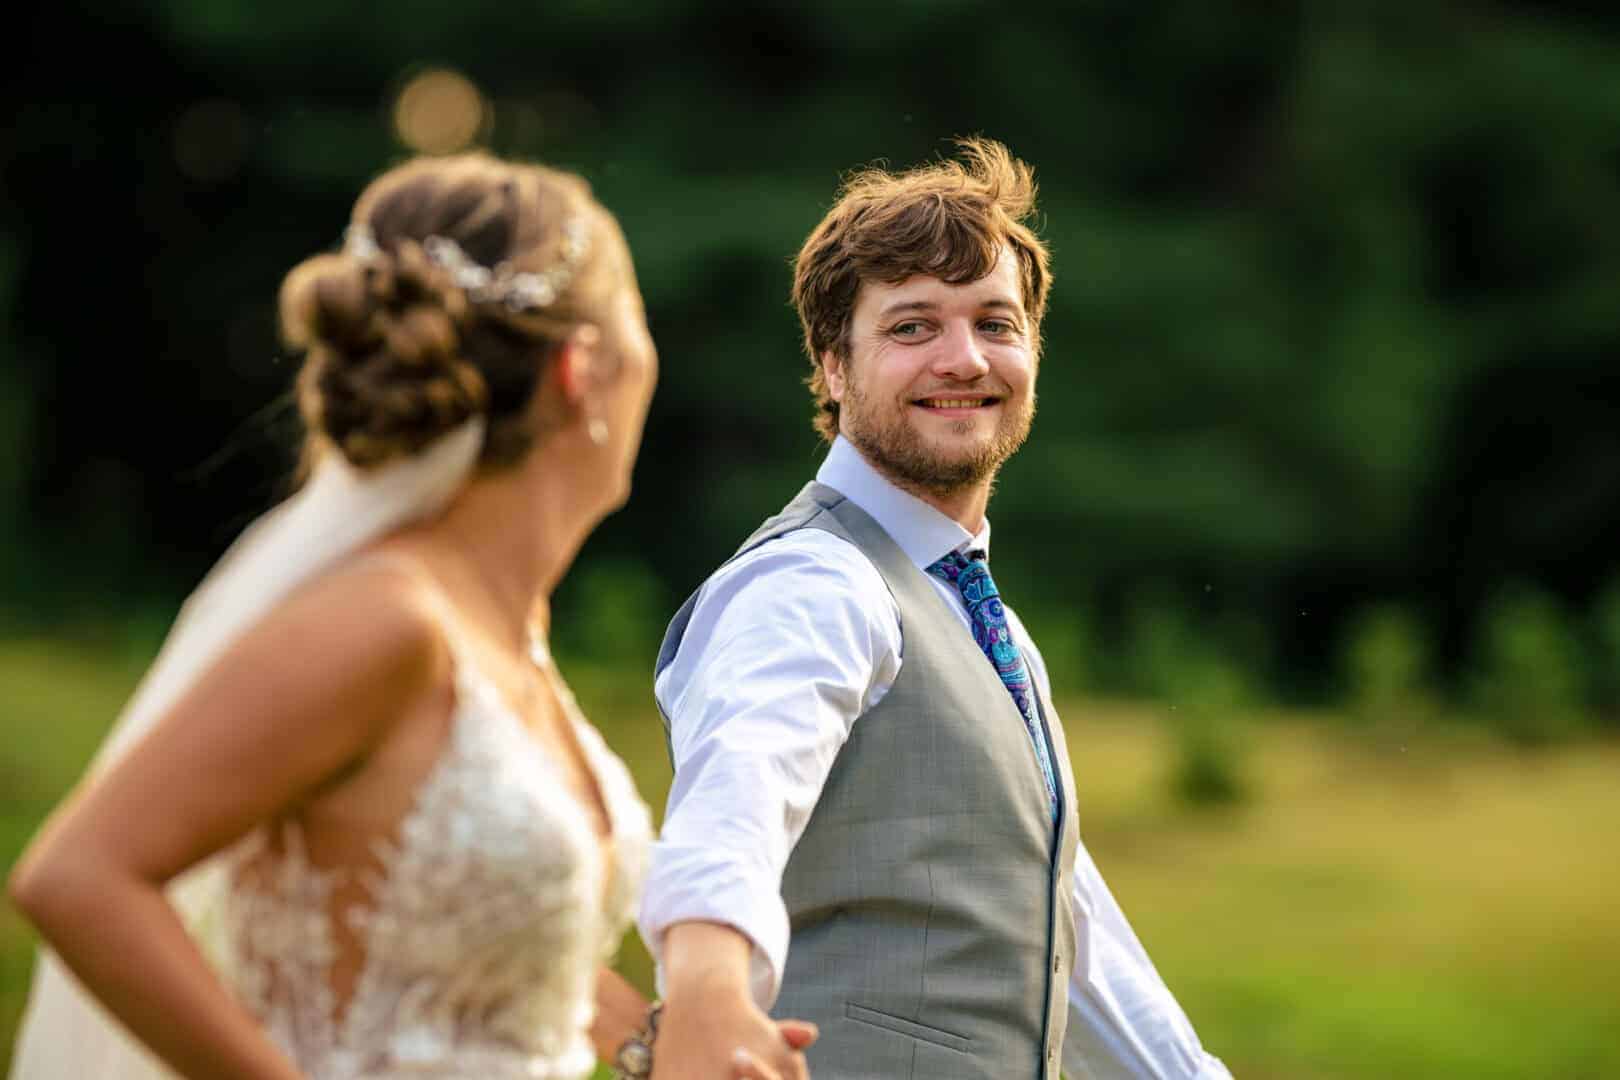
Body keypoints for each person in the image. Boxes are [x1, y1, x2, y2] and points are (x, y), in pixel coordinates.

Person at [8, 153, 811, 1080]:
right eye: (639, 327)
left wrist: (655, 1046)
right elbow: (79, 877)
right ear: (579, 370)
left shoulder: (506, 632)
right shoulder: (386, 620)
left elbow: (468, 938)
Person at [638, 139, 1232, 1079]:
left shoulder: (979, 615)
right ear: (834, 367)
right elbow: (734, 802)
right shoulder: (812, 583)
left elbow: (1065, 929)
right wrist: (708, 981)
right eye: (913, 327)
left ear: (1033, 351)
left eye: (996, 323)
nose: (964, 359)